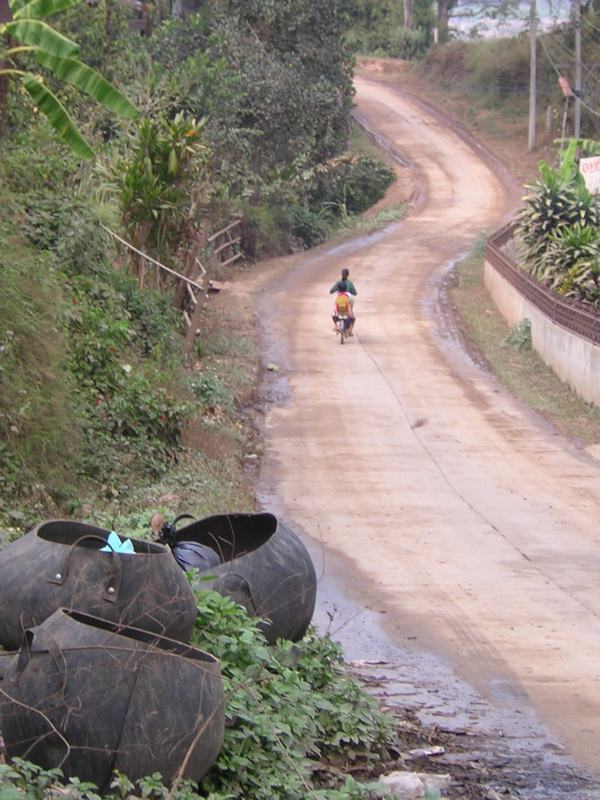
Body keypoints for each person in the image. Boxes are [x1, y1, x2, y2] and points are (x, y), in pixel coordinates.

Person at [330, 268, 357, 335]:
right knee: (351, 312)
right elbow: (355, 293)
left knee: (335, 310)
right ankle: (350, 331)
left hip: (338, 307)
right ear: (348, 275)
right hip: (348, 301)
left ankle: (336, 326)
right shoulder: (350, 283)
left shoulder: (338, 283)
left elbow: (331, 291)